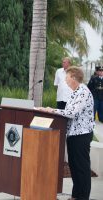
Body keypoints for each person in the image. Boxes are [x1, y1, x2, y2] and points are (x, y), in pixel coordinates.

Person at [40, 66, 94, 200]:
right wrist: (52, 110)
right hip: (73, 134)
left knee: (81, 167)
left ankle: (83, 197)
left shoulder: (83, 91)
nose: (65, 79)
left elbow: (71, 113)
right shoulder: (75, 92)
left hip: (81, 135)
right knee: (74, 166)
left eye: (67, 76)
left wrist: (52, 110)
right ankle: (76, 195)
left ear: (74, 77)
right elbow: (67, 111)